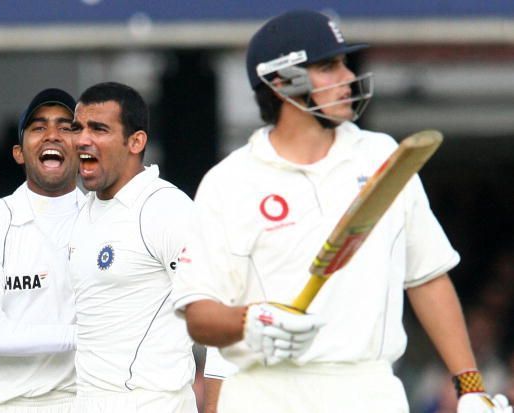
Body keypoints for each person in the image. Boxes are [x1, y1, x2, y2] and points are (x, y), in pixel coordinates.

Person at [172, 9, 512, 413]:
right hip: (266, 393)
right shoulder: (229, 182)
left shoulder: (381, 156)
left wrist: (470, 387)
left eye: (344, 65)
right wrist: (253, 320)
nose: (348, 78)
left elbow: (427, 276)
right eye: (329, 67)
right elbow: (199, 315)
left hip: (368, 389)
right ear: (281, 81)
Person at [0, 88, 84, 412]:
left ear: (83, 148)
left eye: (66, 127)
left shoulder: (109, 223)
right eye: (38, 127)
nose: (52, 135)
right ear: (19, 152)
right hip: (2, 406)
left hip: (82, 403)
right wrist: (82, 336)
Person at [68, 81, 197, 412]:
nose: (82, 139)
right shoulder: (82, 211)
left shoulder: (164, 208)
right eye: (78, 128)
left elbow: (219, 303)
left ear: (136, 141)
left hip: (150, 402)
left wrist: (215, 403)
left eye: (98, 129)